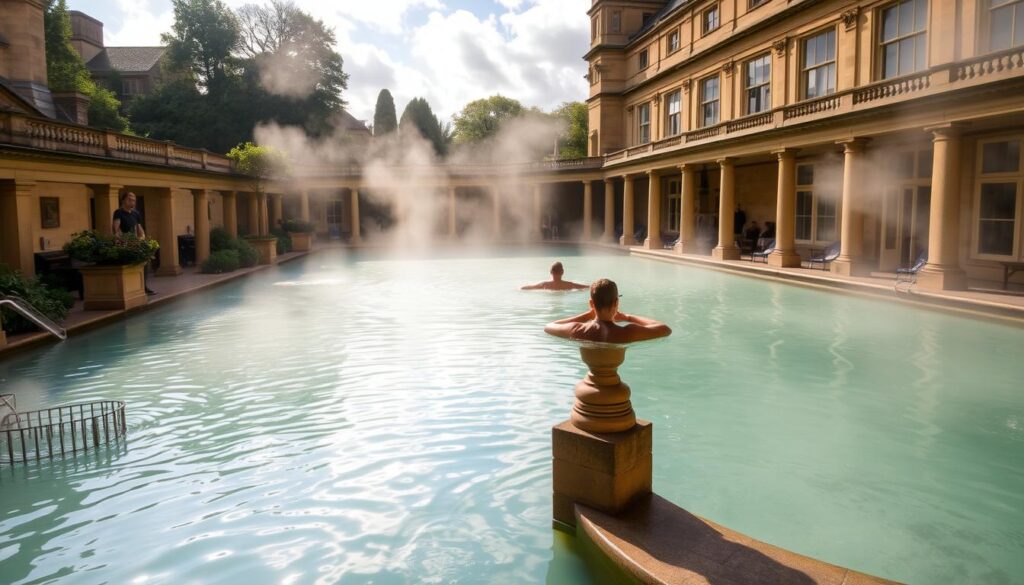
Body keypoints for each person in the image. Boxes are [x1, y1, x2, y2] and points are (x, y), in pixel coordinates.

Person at [544, 278, 672, 343]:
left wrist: (587, 315)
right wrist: (628, 317)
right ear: (616, 303)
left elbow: (549, 326)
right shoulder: (628, 333)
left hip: (588, 387)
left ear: (591, 304)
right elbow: (665, 329)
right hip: (615, 388)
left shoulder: (578, 330)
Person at [112, 191, 156, 295]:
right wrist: (125, 240)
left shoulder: (136, 213)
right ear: (123, 200)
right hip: (124, 245)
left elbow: (140, 229)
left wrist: (142, 239)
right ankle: (130, 289)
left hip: (135, 244)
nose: (133, 202)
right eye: (130, 199)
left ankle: (143, 287)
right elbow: (116, 230)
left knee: (144, 263)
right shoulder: (118, 212)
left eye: (134, 200)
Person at [521, 261, 588, 291]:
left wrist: (521, 287)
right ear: (562, 272)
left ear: (551, 272)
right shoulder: (569, 285)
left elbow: (529, 287)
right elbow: (585, 287)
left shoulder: (544, 285)